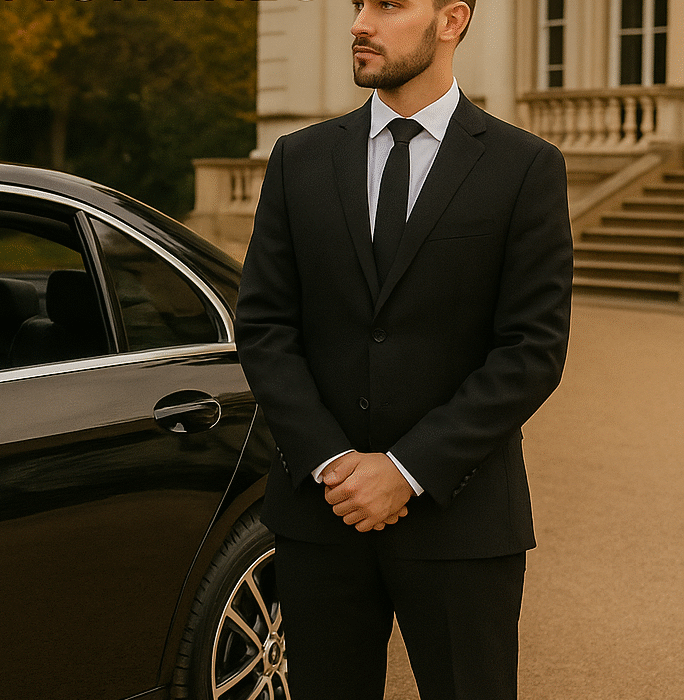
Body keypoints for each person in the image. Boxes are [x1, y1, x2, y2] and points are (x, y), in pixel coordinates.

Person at [234, 1, 573, 698]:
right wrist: (332, 461)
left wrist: (407, 469)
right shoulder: (299, 158)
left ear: (451, 19)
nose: (359, 23)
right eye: (358, 5)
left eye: (388, 5)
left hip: (462, 521)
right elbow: (266, 325)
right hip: (319, 519)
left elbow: (531, 348)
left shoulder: (525, 168)